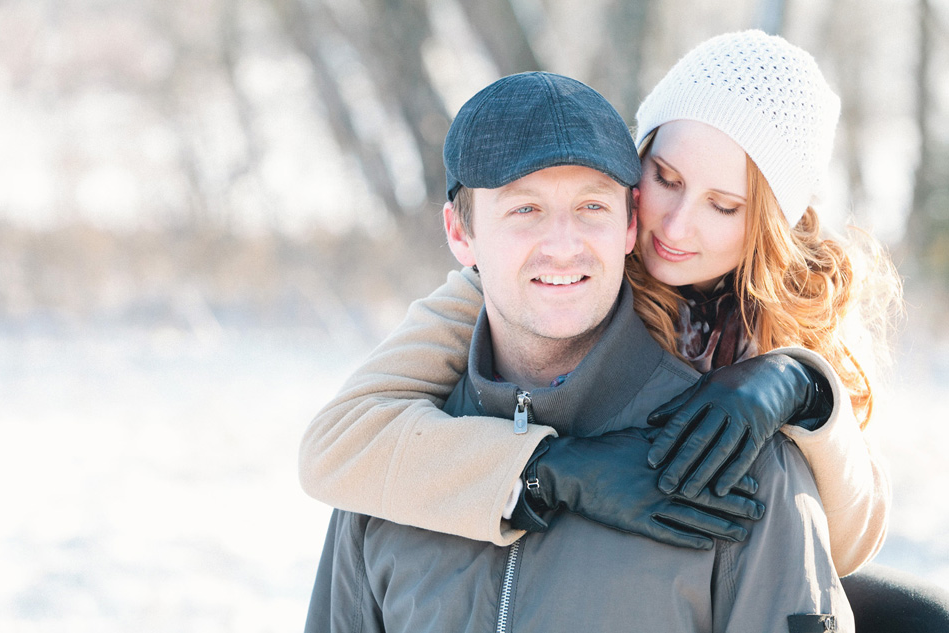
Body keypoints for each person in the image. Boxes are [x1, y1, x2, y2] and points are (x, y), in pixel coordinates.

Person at [300, 30, 893, 575]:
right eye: (665, 178)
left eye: (724, 206)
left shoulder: (790, 310)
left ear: (768, 222)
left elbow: (847, 545)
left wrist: (804, 386)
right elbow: (338, 443)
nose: (677, 227)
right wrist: (547, 469)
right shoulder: (555, 279)